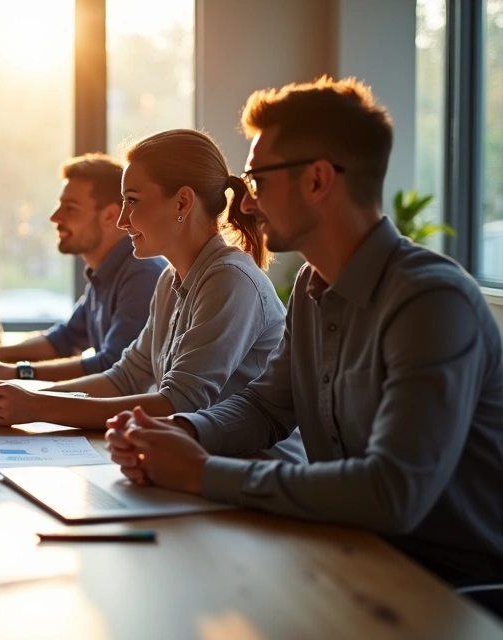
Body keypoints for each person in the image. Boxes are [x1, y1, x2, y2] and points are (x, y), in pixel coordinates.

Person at [105, 77, 503, 584]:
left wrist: (201, 471)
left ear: (317, 181)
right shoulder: (313, 288)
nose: (245, 204)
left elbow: (391, 492)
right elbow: (266, 406)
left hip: (451, 591)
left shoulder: (431, 302)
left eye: (258, 182)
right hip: (347, 554)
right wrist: (179, 433)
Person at [0, 130, 300, 464]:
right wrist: (29, 396)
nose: (121, 220)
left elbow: (177, 404)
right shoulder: (169, 281)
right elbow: (125, 377)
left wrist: (36, 406)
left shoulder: (230, 279)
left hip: (256, 474)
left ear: (182, 202)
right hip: (198, 466)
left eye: (132, 201)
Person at [0, 154, 165, 394]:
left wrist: (14, 374)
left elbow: (112, 366)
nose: (54, 217)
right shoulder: (104, 272)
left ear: (110, 216)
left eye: (70, 209)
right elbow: (65, 339)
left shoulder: (142, 274)